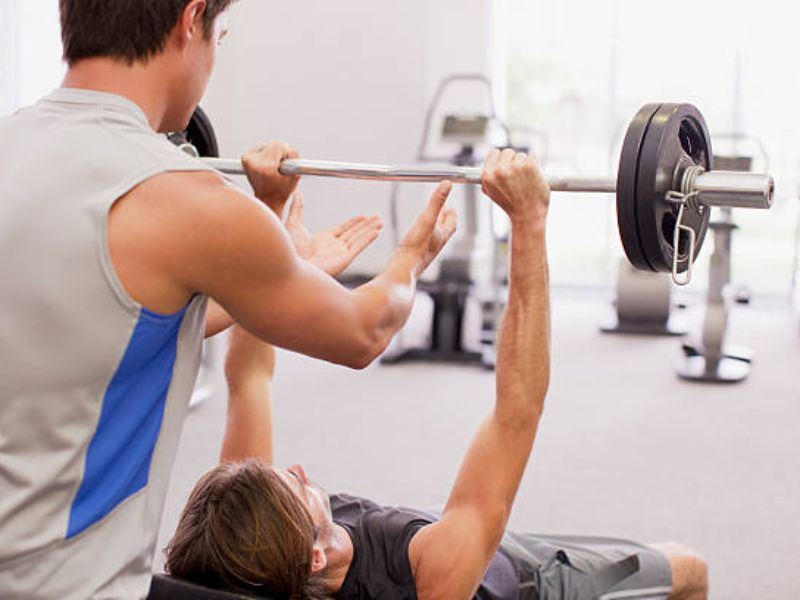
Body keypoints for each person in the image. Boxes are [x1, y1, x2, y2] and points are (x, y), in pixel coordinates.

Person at [0, 1, 457, 598]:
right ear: (192, 22)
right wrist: (413, 255)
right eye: (221, 34)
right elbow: (363, 332)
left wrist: (273, 246)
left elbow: (124, 321)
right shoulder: (185, 200)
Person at [165, 150, 709, 600]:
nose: (301, 471)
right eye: (297, 485)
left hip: (451, 530)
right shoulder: (426, 579)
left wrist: (271, 213)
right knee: (689, 570)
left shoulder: (244, 553)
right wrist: (528, 221)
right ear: (315, 554)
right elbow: (517, 409)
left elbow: (250, 378)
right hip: (520, 579)